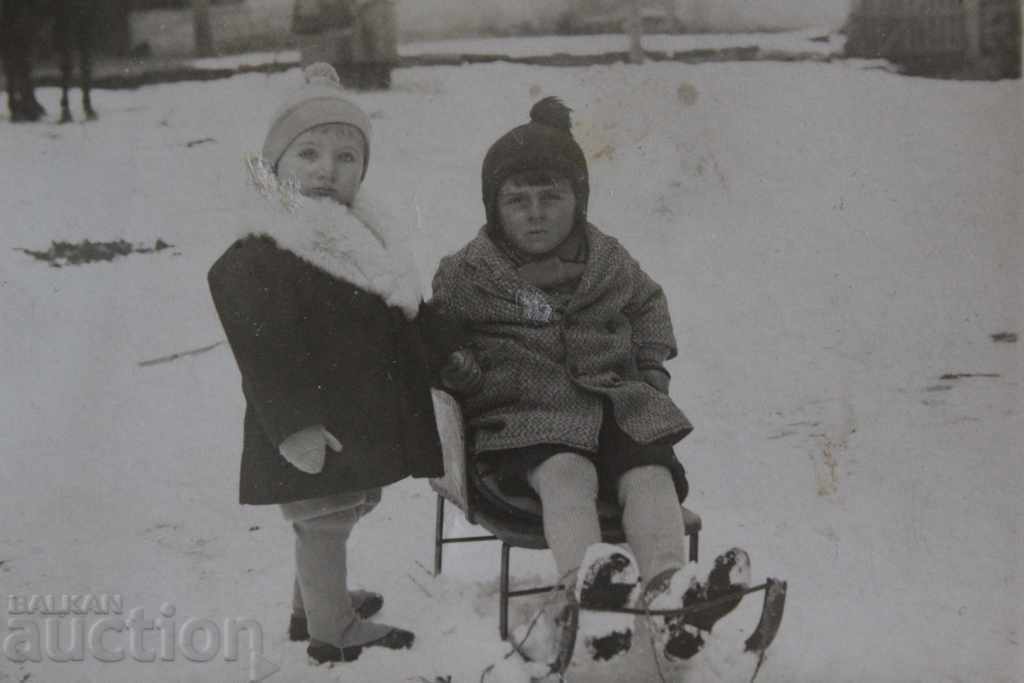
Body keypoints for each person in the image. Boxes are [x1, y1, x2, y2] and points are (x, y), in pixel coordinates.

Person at [431, 97, 747, 665]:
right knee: (565, 473)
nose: (535, 213)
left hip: (615, 404)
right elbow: (435, 334)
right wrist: (456, 364)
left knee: (649, 472)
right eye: (517, 200)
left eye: (551, 197)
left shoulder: (607, 259)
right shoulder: (467, 273)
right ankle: (589, 592)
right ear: (494, 207)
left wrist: (651, 368)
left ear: (578, 200)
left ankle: (670, 596)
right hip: (525, 416)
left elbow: (649, 304)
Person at [208, 62, 443, 665]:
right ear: (275, 164)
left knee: (335, 511)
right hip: (312, 420)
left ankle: (310, 602)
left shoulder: (355, 231)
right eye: (307, 153)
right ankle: (330, 628)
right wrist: (293, 423)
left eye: (346, 158)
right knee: (324, 518)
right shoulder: (265, 247)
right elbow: (264, 352)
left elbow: (390, 307)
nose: (325, 170)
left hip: (355, 413)